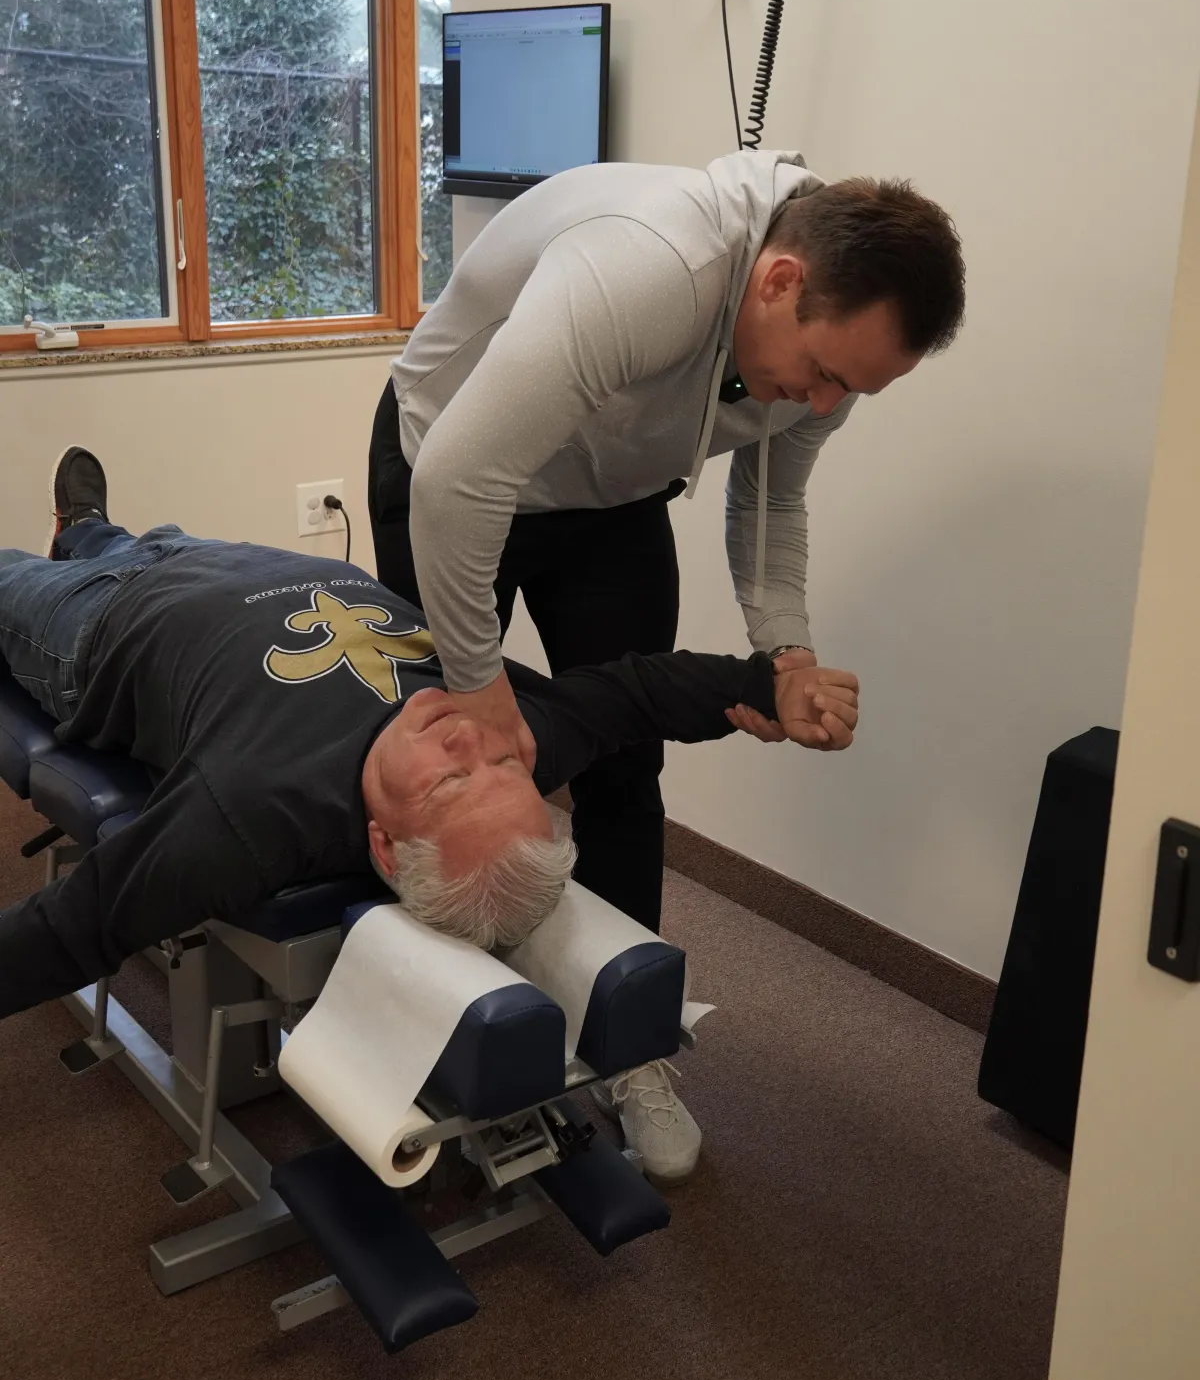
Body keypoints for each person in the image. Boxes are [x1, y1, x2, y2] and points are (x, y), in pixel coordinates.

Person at [0, 450, 859, 1179]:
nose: (467, 741)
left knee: (29, 578)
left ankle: (78, 546)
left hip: (100, 626)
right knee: (125, 539)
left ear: (382, 842)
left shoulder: (250, 819)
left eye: (450, 783)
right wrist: (764, 686)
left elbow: (73, 929)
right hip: (231, 562)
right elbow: (638, 694)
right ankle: (85, 525)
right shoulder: (508, 734)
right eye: (505, 769)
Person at [368, 150, 965, 1159]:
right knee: (434, 773)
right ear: (779, 280)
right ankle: (414, 1032)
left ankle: (628, 1043)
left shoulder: (827, 346)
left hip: (608, 497)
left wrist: (787, 657)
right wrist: (476, 690)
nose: (823, 405)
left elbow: (772, 494)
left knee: (625, 763)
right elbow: (461, 485)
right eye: (823, 374)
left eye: (850, 390)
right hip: (450, 466)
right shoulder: (650, 266)